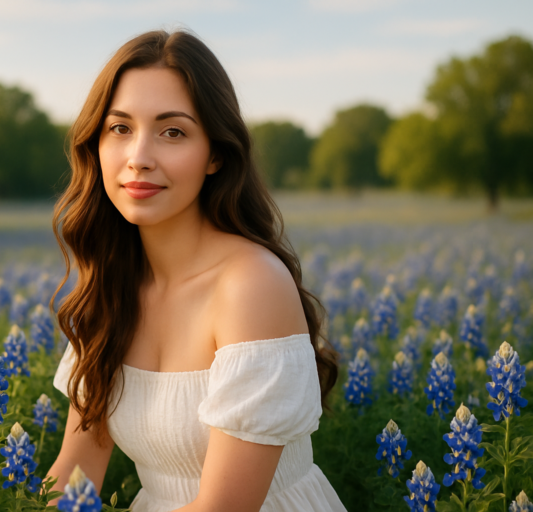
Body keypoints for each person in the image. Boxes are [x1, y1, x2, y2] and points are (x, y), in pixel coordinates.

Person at [47, 29, 346, 512]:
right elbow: (77, 470)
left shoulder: (251, 286)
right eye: (119, 128)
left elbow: (224, 508)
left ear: (216, 155)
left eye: (173, 132)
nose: (139, 159)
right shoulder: (110, 284)